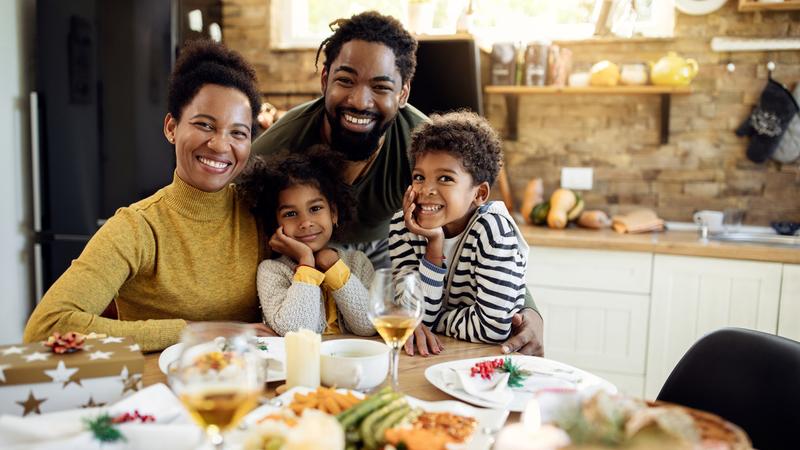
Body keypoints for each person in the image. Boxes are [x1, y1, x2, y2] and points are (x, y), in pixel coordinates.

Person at [251, 11, 543, 357]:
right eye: (345, 80)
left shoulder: (421, 146)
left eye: (380, 86)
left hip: (385, 257)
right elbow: (230, 218)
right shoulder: (278, 145)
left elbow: (481, 225)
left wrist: (529, 310)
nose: (360, 101)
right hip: (295, 262)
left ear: (403, 92)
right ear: (325, 79)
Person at [23, 40, 273, 352]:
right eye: (204, 125)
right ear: (171, 127)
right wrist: (196, 333)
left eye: (238, 133)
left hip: (250, 391)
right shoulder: (137, 228)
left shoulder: (262, 214)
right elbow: (46, 326)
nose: (221, 146)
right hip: (158, 393)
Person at [390, 111, 527, 348]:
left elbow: (493, 328)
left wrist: (437, 320)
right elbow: (412, 316)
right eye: (419, 177)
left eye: (445, 178)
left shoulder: (493, 231)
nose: (426, 189)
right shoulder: (403, 226)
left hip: (485, 360)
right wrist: (434, 246)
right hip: (436, 354)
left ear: (479, 194)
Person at [237, 149, 375, 336]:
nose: (305, 222)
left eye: (315, 208)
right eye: (290, 214)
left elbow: (369, 325)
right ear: (275, 222)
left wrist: (332, 266)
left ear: (333, 213)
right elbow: (295, 330)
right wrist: (306, 262)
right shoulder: (272, 271)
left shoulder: (358, 263)